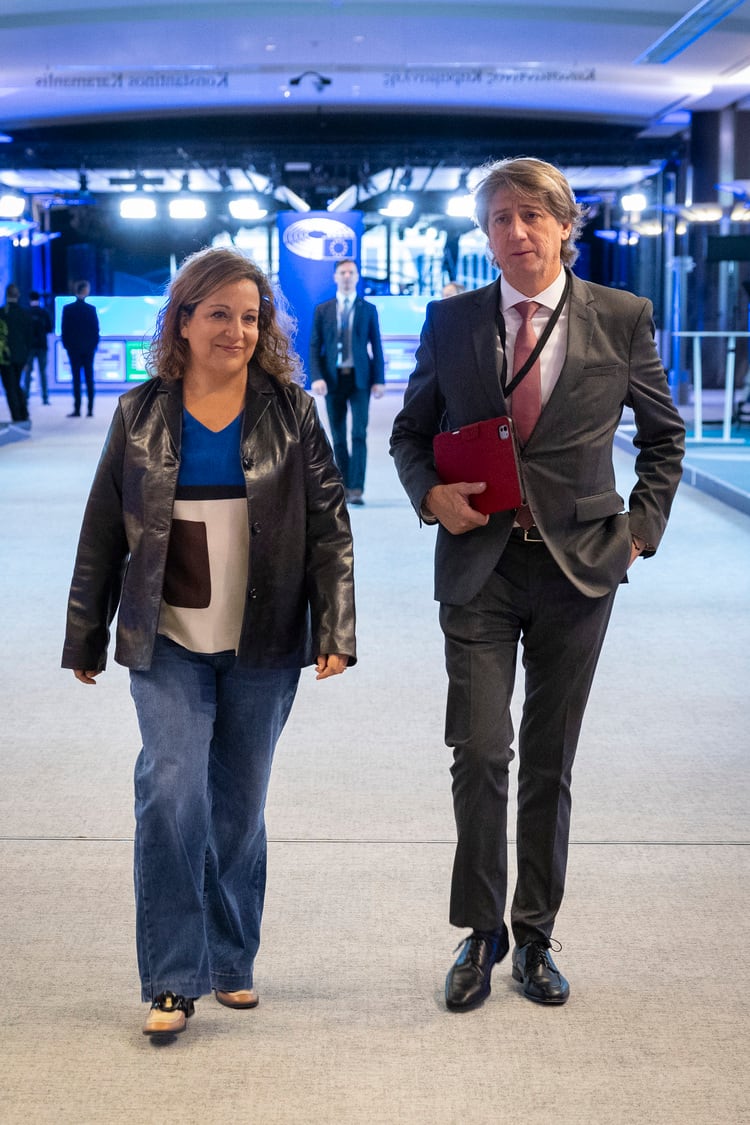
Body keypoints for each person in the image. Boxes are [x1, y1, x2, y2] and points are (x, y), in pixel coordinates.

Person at [390, 157, 685, 1012]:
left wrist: (639, 532)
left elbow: (664, 437)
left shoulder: (621, 317)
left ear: (564, 224)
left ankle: (536, 934)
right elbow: (411, 433)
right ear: (484, 235)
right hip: (478, 564)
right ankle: (479, 931)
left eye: (530, 215)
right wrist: (428, 493)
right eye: (498, 219)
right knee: (481, 749)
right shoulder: (451, 322)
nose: (515, 232)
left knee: (549, 758)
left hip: (579, 569)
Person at [62, 246, 356, 1039]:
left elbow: (330, 527)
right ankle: (172, 976)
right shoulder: (139, 413)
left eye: (250, 317)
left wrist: (335, 626)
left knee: (237, 805)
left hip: (265, 637)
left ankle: (230, 958)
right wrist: (85, 632)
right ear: (183, 320)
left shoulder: (292, 411)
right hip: (167, 637)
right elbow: (103, 529)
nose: (236, 330)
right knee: (170, 788)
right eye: (219, 313)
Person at [309, 258, 385, 505]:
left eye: (351, 272)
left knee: (358, 433)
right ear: (335, 277)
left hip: (360, 379)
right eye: (342, 272)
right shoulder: (323, 310)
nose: (347, 276)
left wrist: (379, 380)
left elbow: (376, 346)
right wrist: (317, 377)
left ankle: (357, 488)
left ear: (357, 276)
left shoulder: (368, 309)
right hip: (333, 380)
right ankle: (343, 484)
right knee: (338, 436)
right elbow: (315, 346)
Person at [61, 279, 100, 417]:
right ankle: (90, 410)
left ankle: (77, 409)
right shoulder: (91, 309)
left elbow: (64, 330)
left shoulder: (68, 309)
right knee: (89, 379)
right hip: (88, 350)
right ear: (85, 291)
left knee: (76, 380)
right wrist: (93, 346)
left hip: (74, 350)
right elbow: (96, 330)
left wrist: (68, 346)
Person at [0, 284, 31, 425]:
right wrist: (26, 358)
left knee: (10, 387)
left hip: (5, 357)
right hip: (20, 356)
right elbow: (29, 339)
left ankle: (17, 417)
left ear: (6, 295)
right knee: (17, 384)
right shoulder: (24, 314)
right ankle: (23, 414)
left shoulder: (2, 313)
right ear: (18, 295)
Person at [22, 291, 53, 405]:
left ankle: (26, 397)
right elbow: (50, 328)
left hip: (29, 346)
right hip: (42, 346)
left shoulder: (26, 312)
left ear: (29, 299)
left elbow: (23, 330)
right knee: (43, 372)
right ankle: (45, 397)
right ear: (39, 300)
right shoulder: (44, 312)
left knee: (28, 372)